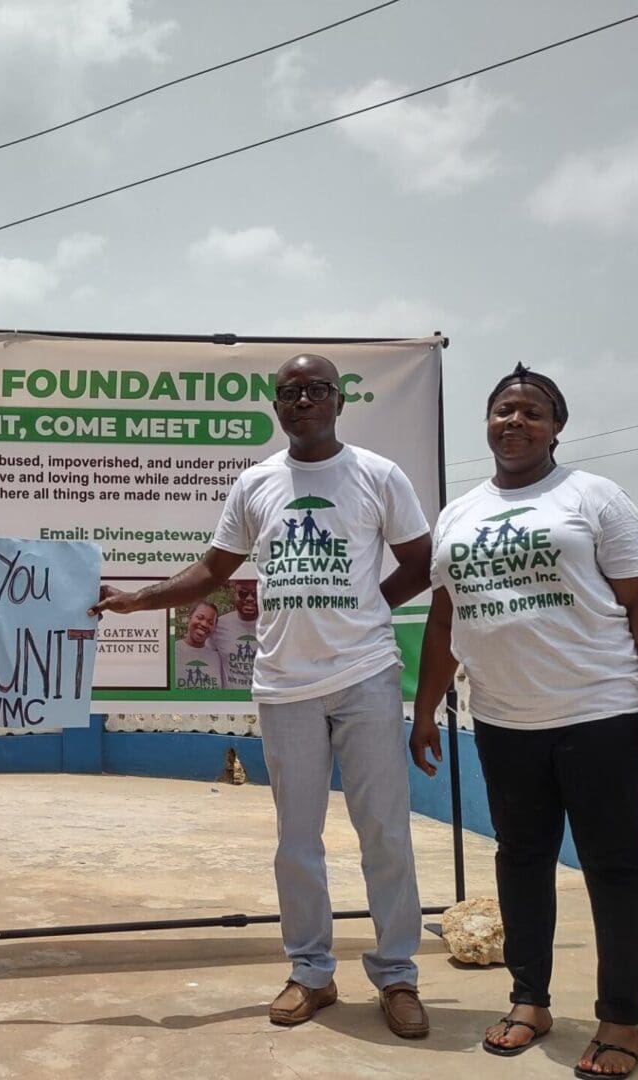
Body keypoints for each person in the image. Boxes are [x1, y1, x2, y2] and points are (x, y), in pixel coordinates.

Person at [92, 353, 434, 1037]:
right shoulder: (256, 484)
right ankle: (311, 972)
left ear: (338, 400)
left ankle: (397, 974)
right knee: (296, 841)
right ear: (275, 407)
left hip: (365, 676)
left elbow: (421, 564)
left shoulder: (378, 475)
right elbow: (212, 569)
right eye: (289, 393)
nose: (302, 400)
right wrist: (139, 601)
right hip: (285, 685)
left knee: (385, 834)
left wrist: (367, 608)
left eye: (315, 390)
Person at [410, 364, 638, 1078]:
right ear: (488, 422)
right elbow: (445, 617)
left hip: (599, 713)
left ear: (557, 426)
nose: (516, 422)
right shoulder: (459, 513)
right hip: (504, 721)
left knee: (615, 867)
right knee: (520, 862)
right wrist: (424, 711)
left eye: (533, 412)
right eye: (504, 410)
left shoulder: (594, 497)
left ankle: (621, 1020)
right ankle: (529, 1001)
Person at [212, 579, 260, 689]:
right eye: (242, 593)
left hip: (261, 699)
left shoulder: (272, 625)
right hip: (230, 701)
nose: (249, 598)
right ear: (234, 595)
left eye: (256, 593)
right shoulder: (219, 625)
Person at [173, 601, 223, 688]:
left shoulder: (217, 658)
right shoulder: (171, 652)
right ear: (189, 618)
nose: (204, 624)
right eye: (200, 618)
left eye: (210, 622)